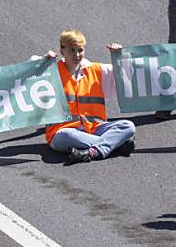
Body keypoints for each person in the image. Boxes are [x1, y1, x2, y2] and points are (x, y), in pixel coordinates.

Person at [42, 30, 136, 164]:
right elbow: (27, 80)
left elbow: (126, 77)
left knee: (128, 126)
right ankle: (116, 144)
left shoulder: (96, 70)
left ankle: (94, 151)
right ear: (62, 51)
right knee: (67, 135)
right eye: (72, 50)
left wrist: (119, 56)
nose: (77, 55)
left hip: (94, 128)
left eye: (80, 50)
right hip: (62, 131)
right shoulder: (52, 72)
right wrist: (42, 62)